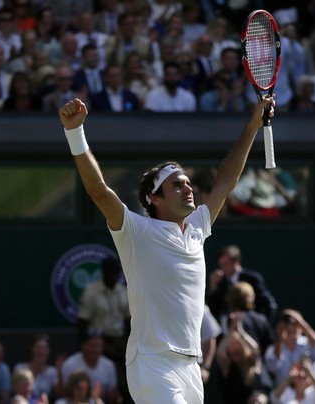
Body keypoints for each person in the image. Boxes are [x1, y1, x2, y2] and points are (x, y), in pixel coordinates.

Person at [58, 94, 275, 403]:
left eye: (188, 183)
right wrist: (75, 132)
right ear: (154, 199)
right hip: (152, 362)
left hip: (190, 364)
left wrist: (253, 124)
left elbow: (226, 179)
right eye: (177, 185)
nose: (188, 188)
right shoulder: (136, 231)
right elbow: (98, 191)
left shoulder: (199, 227)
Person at [77, 256, 130, 403]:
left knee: (130, 375)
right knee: (115, 376)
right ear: (104, 273)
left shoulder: (123, 291)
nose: (113, 277)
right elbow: (82, 323)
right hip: (100, 342)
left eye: (116, 273)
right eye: (110, 273)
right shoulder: (91, 292)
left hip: (120, 341)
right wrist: (86, 346)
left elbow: (128, 320)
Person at [207, 244, 279, 327]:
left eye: (226, 264)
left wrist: (260, 326)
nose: (223, 268)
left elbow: (269, 305)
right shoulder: (221, 284)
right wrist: (213, 287)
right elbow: (214, 310)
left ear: (236, 261)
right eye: (221, 265)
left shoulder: (252, 279)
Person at [59, 331, 118, 404]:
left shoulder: (109, 365)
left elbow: (113, 395)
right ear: (84, 346)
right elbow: (62, 392)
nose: (96, 350)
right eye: (93, 346)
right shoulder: (69, 364)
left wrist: (99, 396)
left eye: (99, 346)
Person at [13, 334, 59, 400]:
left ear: (48, 351)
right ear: (32, 349)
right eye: (38, 347)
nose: (41, 352)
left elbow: (59, 393)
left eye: (44, 348)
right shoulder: (20, 368)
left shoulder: (53, 371)